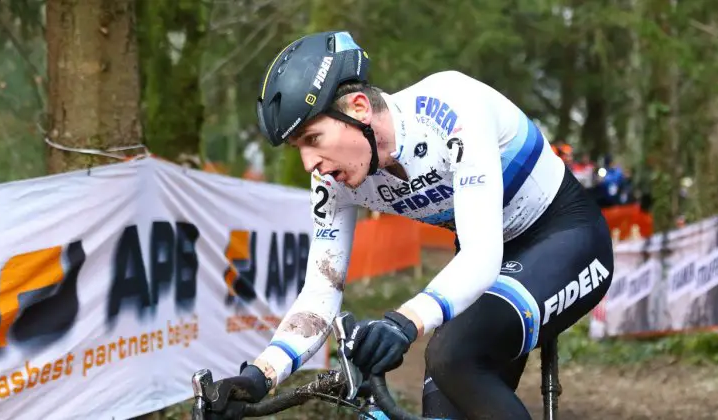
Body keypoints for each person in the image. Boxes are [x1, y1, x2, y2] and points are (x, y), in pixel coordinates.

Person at [206, 31, 615, 419]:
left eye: (313, 138)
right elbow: (319, 293)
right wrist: (259, 377)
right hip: (485, 262)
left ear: (360, 110)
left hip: (564, 235)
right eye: (299, 149)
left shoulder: (451, 108)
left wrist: (403, 323)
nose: (310, 164)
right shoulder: (333, 180)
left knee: (452, 356)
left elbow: (482, 254)